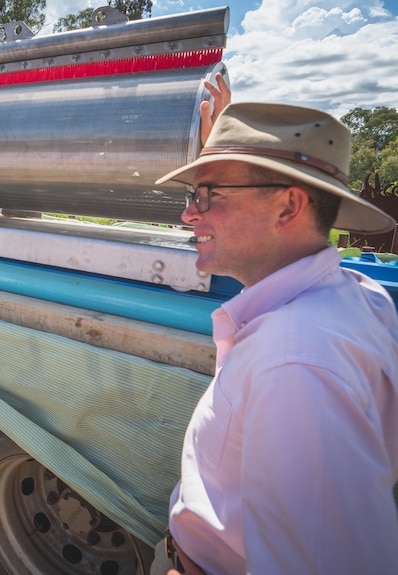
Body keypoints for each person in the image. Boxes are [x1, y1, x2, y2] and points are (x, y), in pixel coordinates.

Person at [151, 102, 398, 574]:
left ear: (288, 205)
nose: (187, 214)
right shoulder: (353, 296)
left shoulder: (298, 364)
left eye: (208, 195)